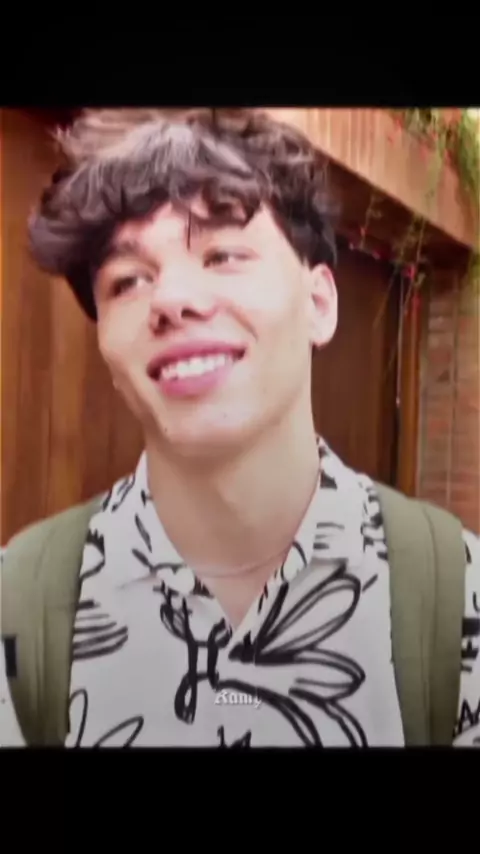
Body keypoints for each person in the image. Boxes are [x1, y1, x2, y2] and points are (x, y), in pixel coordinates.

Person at [0, 108, 479, 747]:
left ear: (319, 304)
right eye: (128, 281)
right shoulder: (18, 609)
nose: (171, 300)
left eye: (223, 254)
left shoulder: (457, 599)